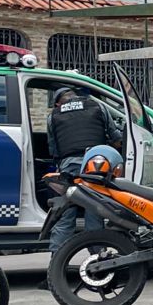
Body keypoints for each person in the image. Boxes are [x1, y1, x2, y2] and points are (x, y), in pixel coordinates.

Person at [46, 85, 127, 261]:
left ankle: (55, 264)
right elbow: (116, 138)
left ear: (59, 102)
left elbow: (53, 149)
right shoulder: (98, 106)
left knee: (65, 215)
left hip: (69, 167)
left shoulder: (53, 115)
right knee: (94, 211)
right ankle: (99, 261)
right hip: (95, 167)